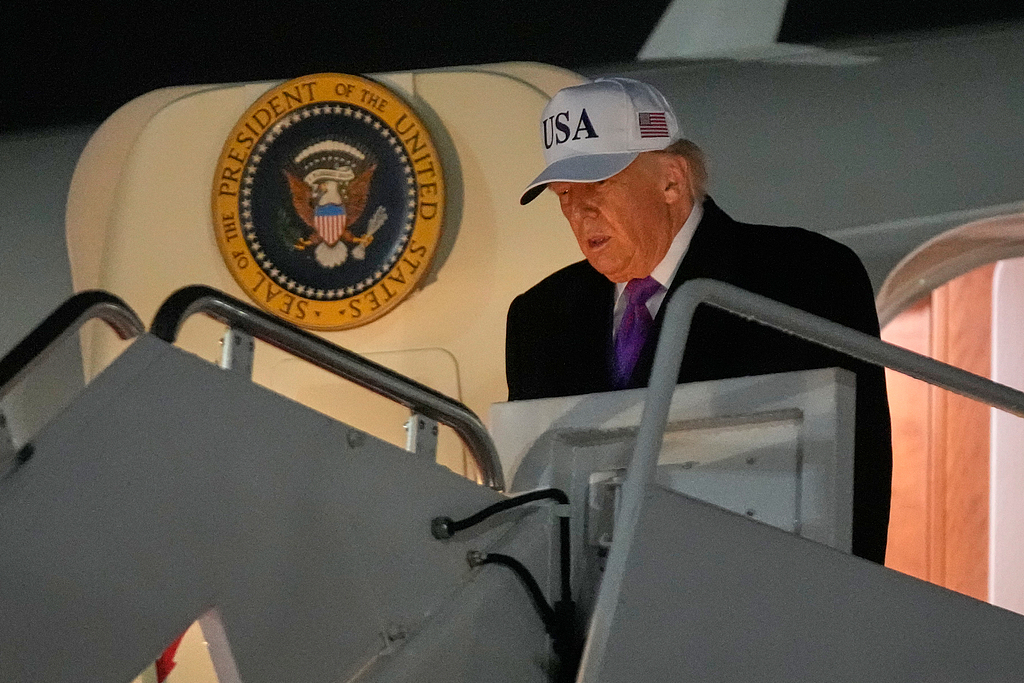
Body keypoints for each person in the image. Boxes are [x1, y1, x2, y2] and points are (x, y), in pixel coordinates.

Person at [506, 77, 892, 564]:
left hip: (759, 594)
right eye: (562, 193)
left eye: (598, 184)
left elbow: (859, 468)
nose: (579, 210)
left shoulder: (804, 274)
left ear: (672, 179)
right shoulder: (538, 317)